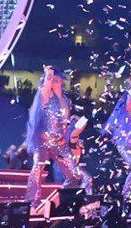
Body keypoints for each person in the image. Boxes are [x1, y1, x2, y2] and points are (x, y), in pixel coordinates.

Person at [26, 66, 86, 204]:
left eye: (57, 79)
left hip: (60, 143)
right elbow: (46, 86)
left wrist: (73, 122)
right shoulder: (46, 95)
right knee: (38, 168)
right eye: (53, 79)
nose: (55, 81)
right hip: (44, 141)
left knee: (74, 174)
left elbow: (62, 120)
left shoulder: (65, 100)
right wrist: (49, 73)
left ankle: (58, 199)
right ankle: (32, 201)